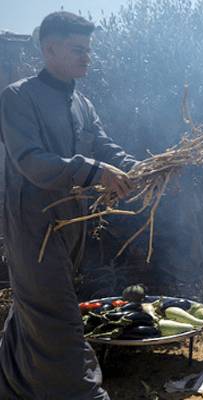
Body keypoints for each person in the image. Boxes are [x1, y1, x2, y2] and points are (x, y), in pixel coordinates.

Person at [0, 11, 137, 399]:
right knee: (56, 313)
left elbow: (104, 146)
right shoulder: (16, 97)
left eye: (88, 50)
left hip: (71, 222)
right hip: (33, 227)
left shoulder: (82, 102)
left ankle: (11, 385)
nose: (87, 58)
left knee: (35, 308)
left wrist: (138, 168)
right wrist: (94, 171)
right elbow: (30, 161)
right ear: (50, 50)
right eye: (79, 50)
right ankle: (83, 393)